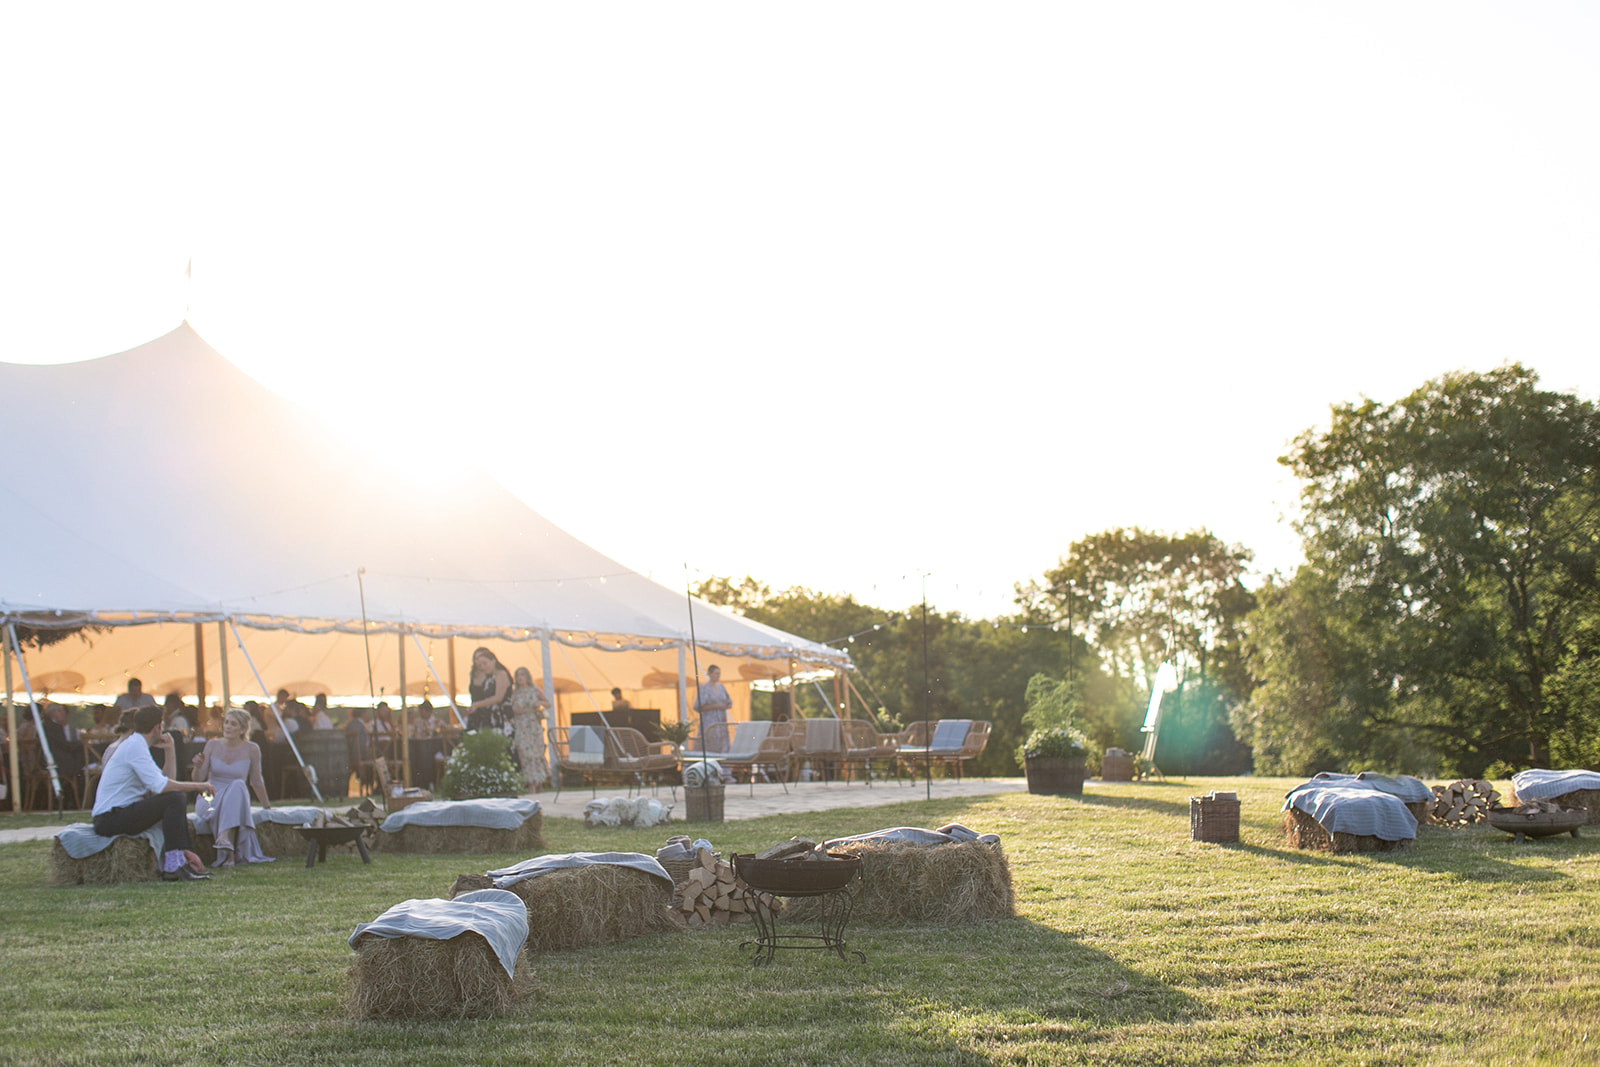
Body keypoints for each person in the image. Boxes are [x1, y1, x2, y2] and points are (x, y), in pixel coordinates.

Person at [90, 705, 213, 881]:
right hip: (110, 818)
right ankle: (174, 865)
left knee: (174, 798)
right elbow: (161, 787)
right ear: (157, 727)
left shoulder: (136, 744)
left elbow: (163, 783)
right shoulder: (135, 747)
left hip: (116, 814)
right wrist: (199, 786)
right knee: (175, 798)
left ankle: (181, 861)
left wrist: (170, 750)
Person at [193, 708, 275, 867]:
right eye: (227, 723)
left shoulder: (252, 749)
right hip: (210, 797)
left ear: (243, 729)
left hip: (235, 796)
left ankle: (226, 847)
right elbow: (198, 779)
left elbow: (257, 781)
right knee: (235, 792)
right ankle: (227, 850)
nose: (228, 727)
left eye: (233, 724)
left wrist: (267, 806)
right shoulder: (212, 745)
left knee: (238, 785)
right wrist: (197, 766)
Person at [509, 667, 550, 791]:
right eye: (518, 676)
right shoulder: (515, 693)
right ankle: (530, 782)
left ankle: (539, 782)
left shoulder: (534, 690)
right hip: (521, 724)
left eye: (522, 675)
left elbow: (548, 703)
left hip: (533, 724)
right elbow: (510, 708)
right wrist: (515, 711)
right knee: (525, 754)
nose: (520, 678)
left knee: (536, 754)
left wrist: (539, 703)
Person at [38, 701, 87, 802]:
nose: (63, 713)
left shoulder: (44, 725)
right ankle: (76, 799)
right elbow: (64, 745)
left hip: (48, 760)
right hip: (57, 762)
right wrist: (80, 744)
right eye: (59, 711)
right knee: (81, 766)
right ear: (52, 713)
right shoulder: (53, 727)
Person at [464, 647, 514, 738]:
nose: (483, 667)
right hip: (490, 717)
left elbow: (498, 697)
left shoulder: (501, 674)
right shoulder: (488, 678)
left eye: (485, 663)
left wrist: (477, 704)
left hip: (502, 716)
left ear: (493, 660)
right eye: (480, 666)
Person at [694, 664, 733, 753]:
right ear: (710, 674)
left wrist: (726, 705)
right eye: (716, 673)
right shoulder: (704, 688)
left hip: (721, 721)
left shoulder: (721, 687)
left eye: (719, 674)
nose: (718, 676)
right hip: (709, 721)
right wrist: (717, 706)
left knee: (722, 743)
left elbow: (728, 700)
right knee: (709, 743)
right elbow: (699, 706)